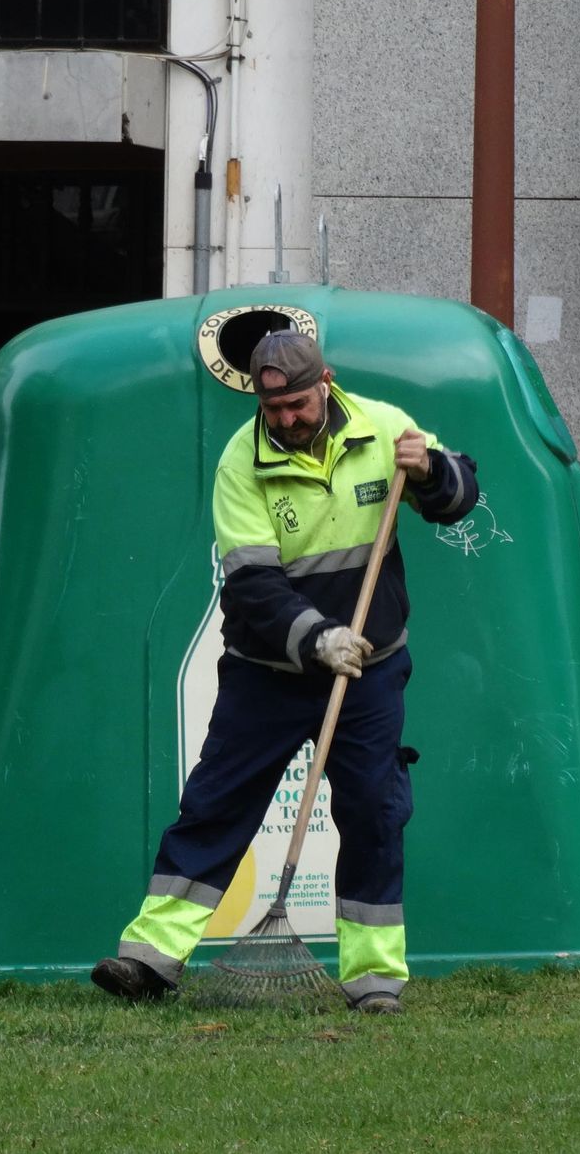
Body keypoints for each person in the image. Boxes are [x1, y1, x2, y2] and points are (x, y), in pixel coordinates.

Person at [92, 329, 478, 1014]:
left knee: (374, 811)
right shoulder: (240, 462)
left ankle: (374, 979)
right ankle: (150, 957)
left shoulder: (383, 426)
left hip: (371, 671)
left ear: (325, 382)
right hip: (267, 672)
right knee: (216, 802)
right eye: (274, 410)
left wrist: (431, 470)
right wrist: (320, 638)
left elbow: (459, 499)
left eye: (298, 404)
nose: (288, 419)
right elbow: (252, 586)